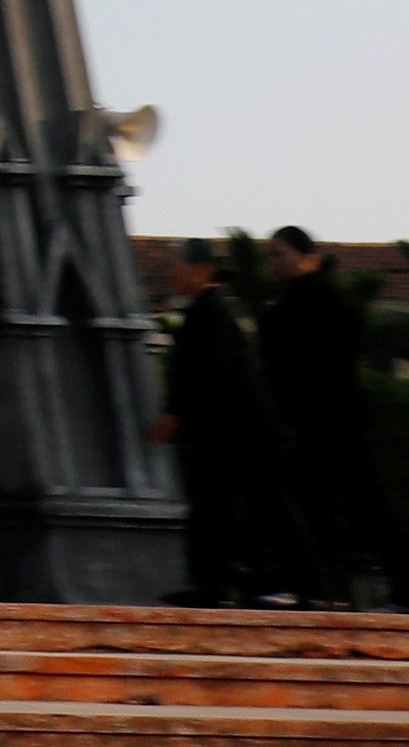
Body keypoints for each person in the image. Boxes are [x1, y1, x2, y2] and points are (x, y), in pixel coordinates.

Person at [153, 236, 309, 606]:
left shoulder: (211, 312)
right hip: (232, 431)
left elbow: (208, 374)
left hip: (241, 432)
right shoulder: (207, 311)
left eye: (177, 265)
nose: (172, 274)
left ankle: (289, 585)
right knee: (222, 505)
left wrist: (176, 413)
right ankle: (218, 583)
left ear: (202, 270)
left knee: (262, 507)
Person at [257, 227, 390, 606]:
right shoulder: (299, 302)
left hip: (329, 420)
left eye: (279, 254)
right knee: (314, 504)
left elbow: (324, 362)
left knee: (358, 504)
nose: (273, 262)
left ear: (305, 255)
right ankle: (312, 586)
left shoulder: (321, 301)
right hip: (317, 421)